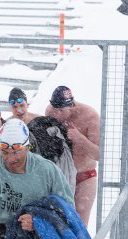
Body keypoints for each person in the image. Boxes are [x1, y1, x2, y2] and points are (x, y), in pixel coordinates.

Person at [45, 85, 100, 226]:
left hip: (84, 175)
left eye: (61, 110)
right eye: (55, 109)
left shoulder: (90, 116)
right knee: (58, 222)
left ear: (71, 106)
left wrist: (80, 139)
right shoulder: (50, 111)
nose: (57, 114)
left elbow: (99, 154)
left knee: (80, 225)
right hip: (60, 176)